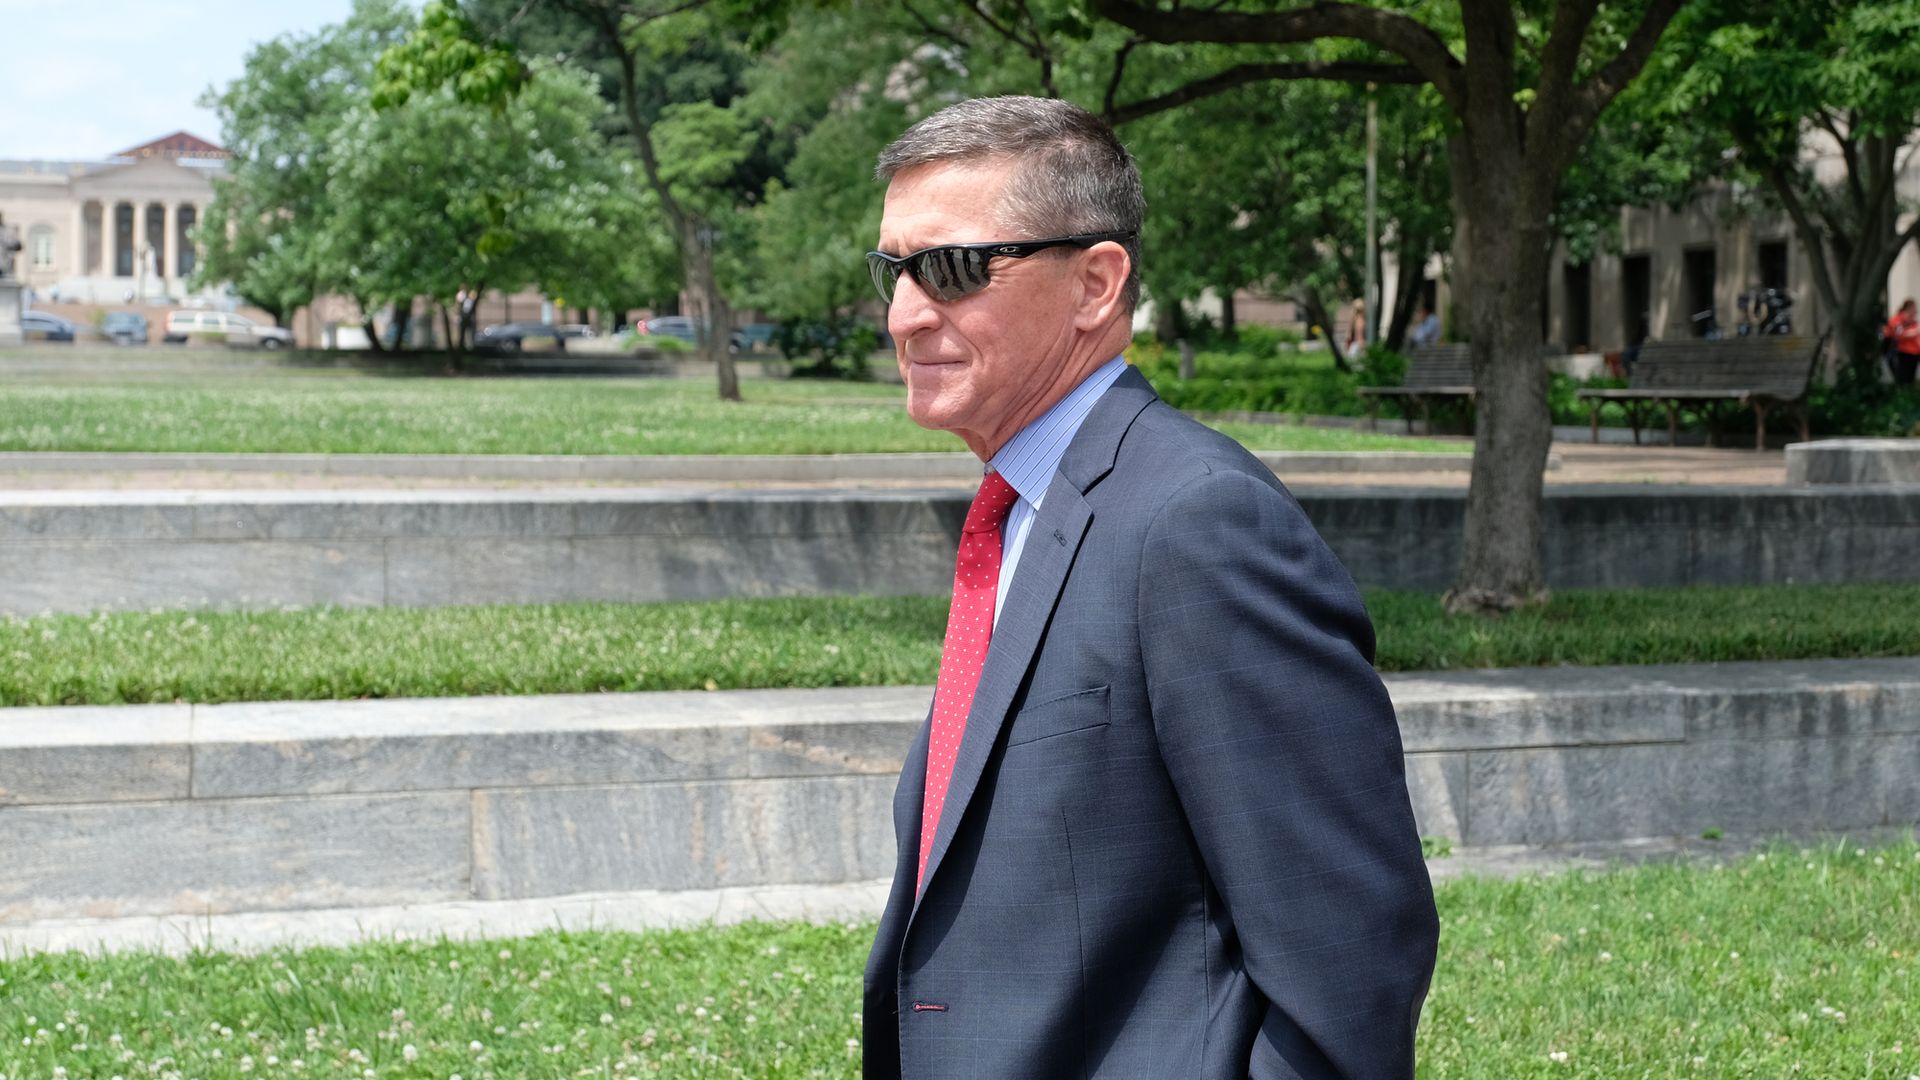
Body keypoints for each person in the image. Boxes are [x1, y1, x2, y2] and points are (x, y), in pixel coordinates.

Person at [861, 95, 1437, 1080]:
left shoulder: (1198, 524)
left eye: (953, 269)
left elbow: (1350, 963)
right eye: (894, 272)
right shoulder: (1023, 509)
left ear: (1096, 283)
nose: (908, 314)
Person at [1884, 298, 1919, 386]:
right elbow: (1899, 334)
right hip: (1901, 353)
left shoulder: (1913, 323)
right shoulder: (1896, 320)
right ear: (1907, 309)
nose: (1916, 312)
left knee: (1910, 379)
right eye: (1914, 310)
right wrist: (1915, 331)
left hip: (1913, 353)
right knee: (1902, 378)